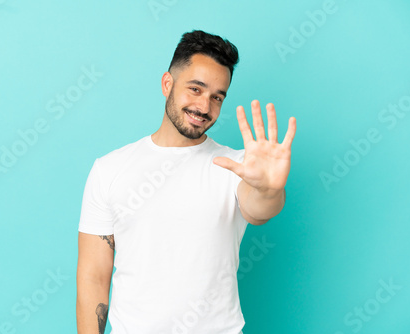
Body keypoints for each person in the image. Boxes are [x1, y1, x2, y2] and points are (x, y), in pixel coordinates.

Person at [76, 30, 296, 334]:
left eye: (217, 97)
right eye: (195, 89)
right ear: (168, 84)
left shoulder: (237, 166)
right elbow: (93, 278)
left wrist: (269, 189)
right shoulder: (109, 169)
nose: (204, 107)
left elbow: (259, 209)